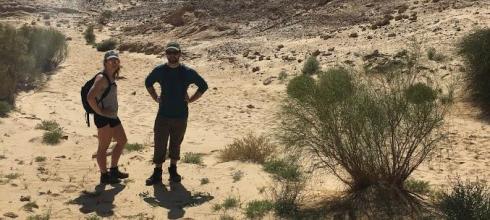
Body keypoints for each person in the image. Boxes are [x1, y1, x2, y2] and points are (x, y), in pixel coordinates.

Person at [145, 42, 208, 185]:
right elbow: (148, 82)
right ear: (166, 54)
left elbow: (203, 86)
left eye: (175, 52)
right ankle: (157, 172)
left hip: (180, 115)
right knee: (159, 143)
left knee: (176, 143)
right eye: (169, 52)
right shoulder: (160, 70)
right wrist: (155, 97)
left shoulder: (187, 72)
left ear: (180, 54)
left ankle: (173, 170)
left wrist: (191, 99)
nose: (172, 55)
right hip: (163, 114)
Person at [87, 50, 129, 184]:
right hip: (103, 117)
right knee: (103, 147)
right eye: (111, 60)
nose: (114, 62)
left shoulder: (111, 76)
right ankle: (104, 176)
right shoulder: (101, 77)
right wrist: (99, 112)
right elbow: (90, 97)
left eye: (116, 60)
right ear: (105, 62)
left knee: (122, 140)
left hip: (112, 116)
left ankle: (114, 170)